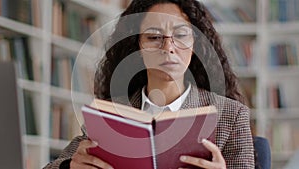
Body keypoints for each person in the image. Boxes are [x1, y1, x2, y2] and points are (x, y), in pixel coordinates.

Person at [44, 0, 254, 168]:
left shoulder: (231, 116)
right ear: (137, 47)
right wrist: (69, 167)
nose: (168, 47)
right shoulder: (110, 114)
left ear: (195, 44)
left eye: (180, 35)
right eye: (154, 37)